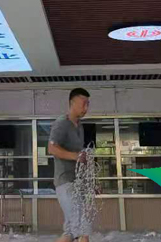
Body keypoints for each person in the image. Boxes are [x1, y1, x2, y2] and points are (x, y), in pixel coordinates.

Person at [48, 87, 91, 242]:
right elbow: (52, 148)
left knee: (70, 232)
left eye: (88, 104)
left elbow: (80, 157)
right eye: (83, 103)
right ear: (72, 103)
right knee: (82, 229)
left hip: (76, 182)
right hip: (65, 182)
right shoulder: (62, 123)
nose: (86, 108)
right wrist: (75, 156)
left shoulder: (79, 126)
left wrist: (90, 181)